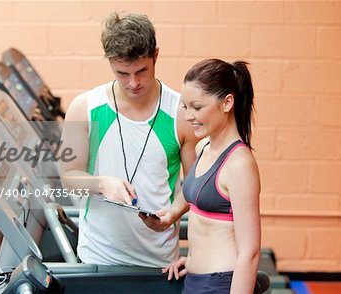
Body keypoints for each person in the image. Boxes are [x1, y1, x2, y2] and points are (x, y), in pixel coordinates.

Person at [59, 12, 199, 267]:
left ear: (156, 55)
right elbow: (69, 177)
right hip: (98, 257)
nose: (133, 83)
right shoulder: (84, 108)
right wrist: (102, 184)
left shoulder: (181, 113)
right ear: (111, 62)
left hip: (159, 262)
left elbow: (194, 189)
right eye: (122, 73)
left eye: (142, 71)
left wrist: (174, 214)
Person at [141, 59, 261, 293]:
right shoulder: (203, 147)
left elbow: (251, 252)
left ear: (227, 103)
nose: (188, 116)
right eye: (185, 107)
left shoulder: (239, 164)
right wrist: (170, 216)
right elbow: (195, 195)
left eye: (197, 107)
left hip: (220, 284)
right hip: (194, 280)